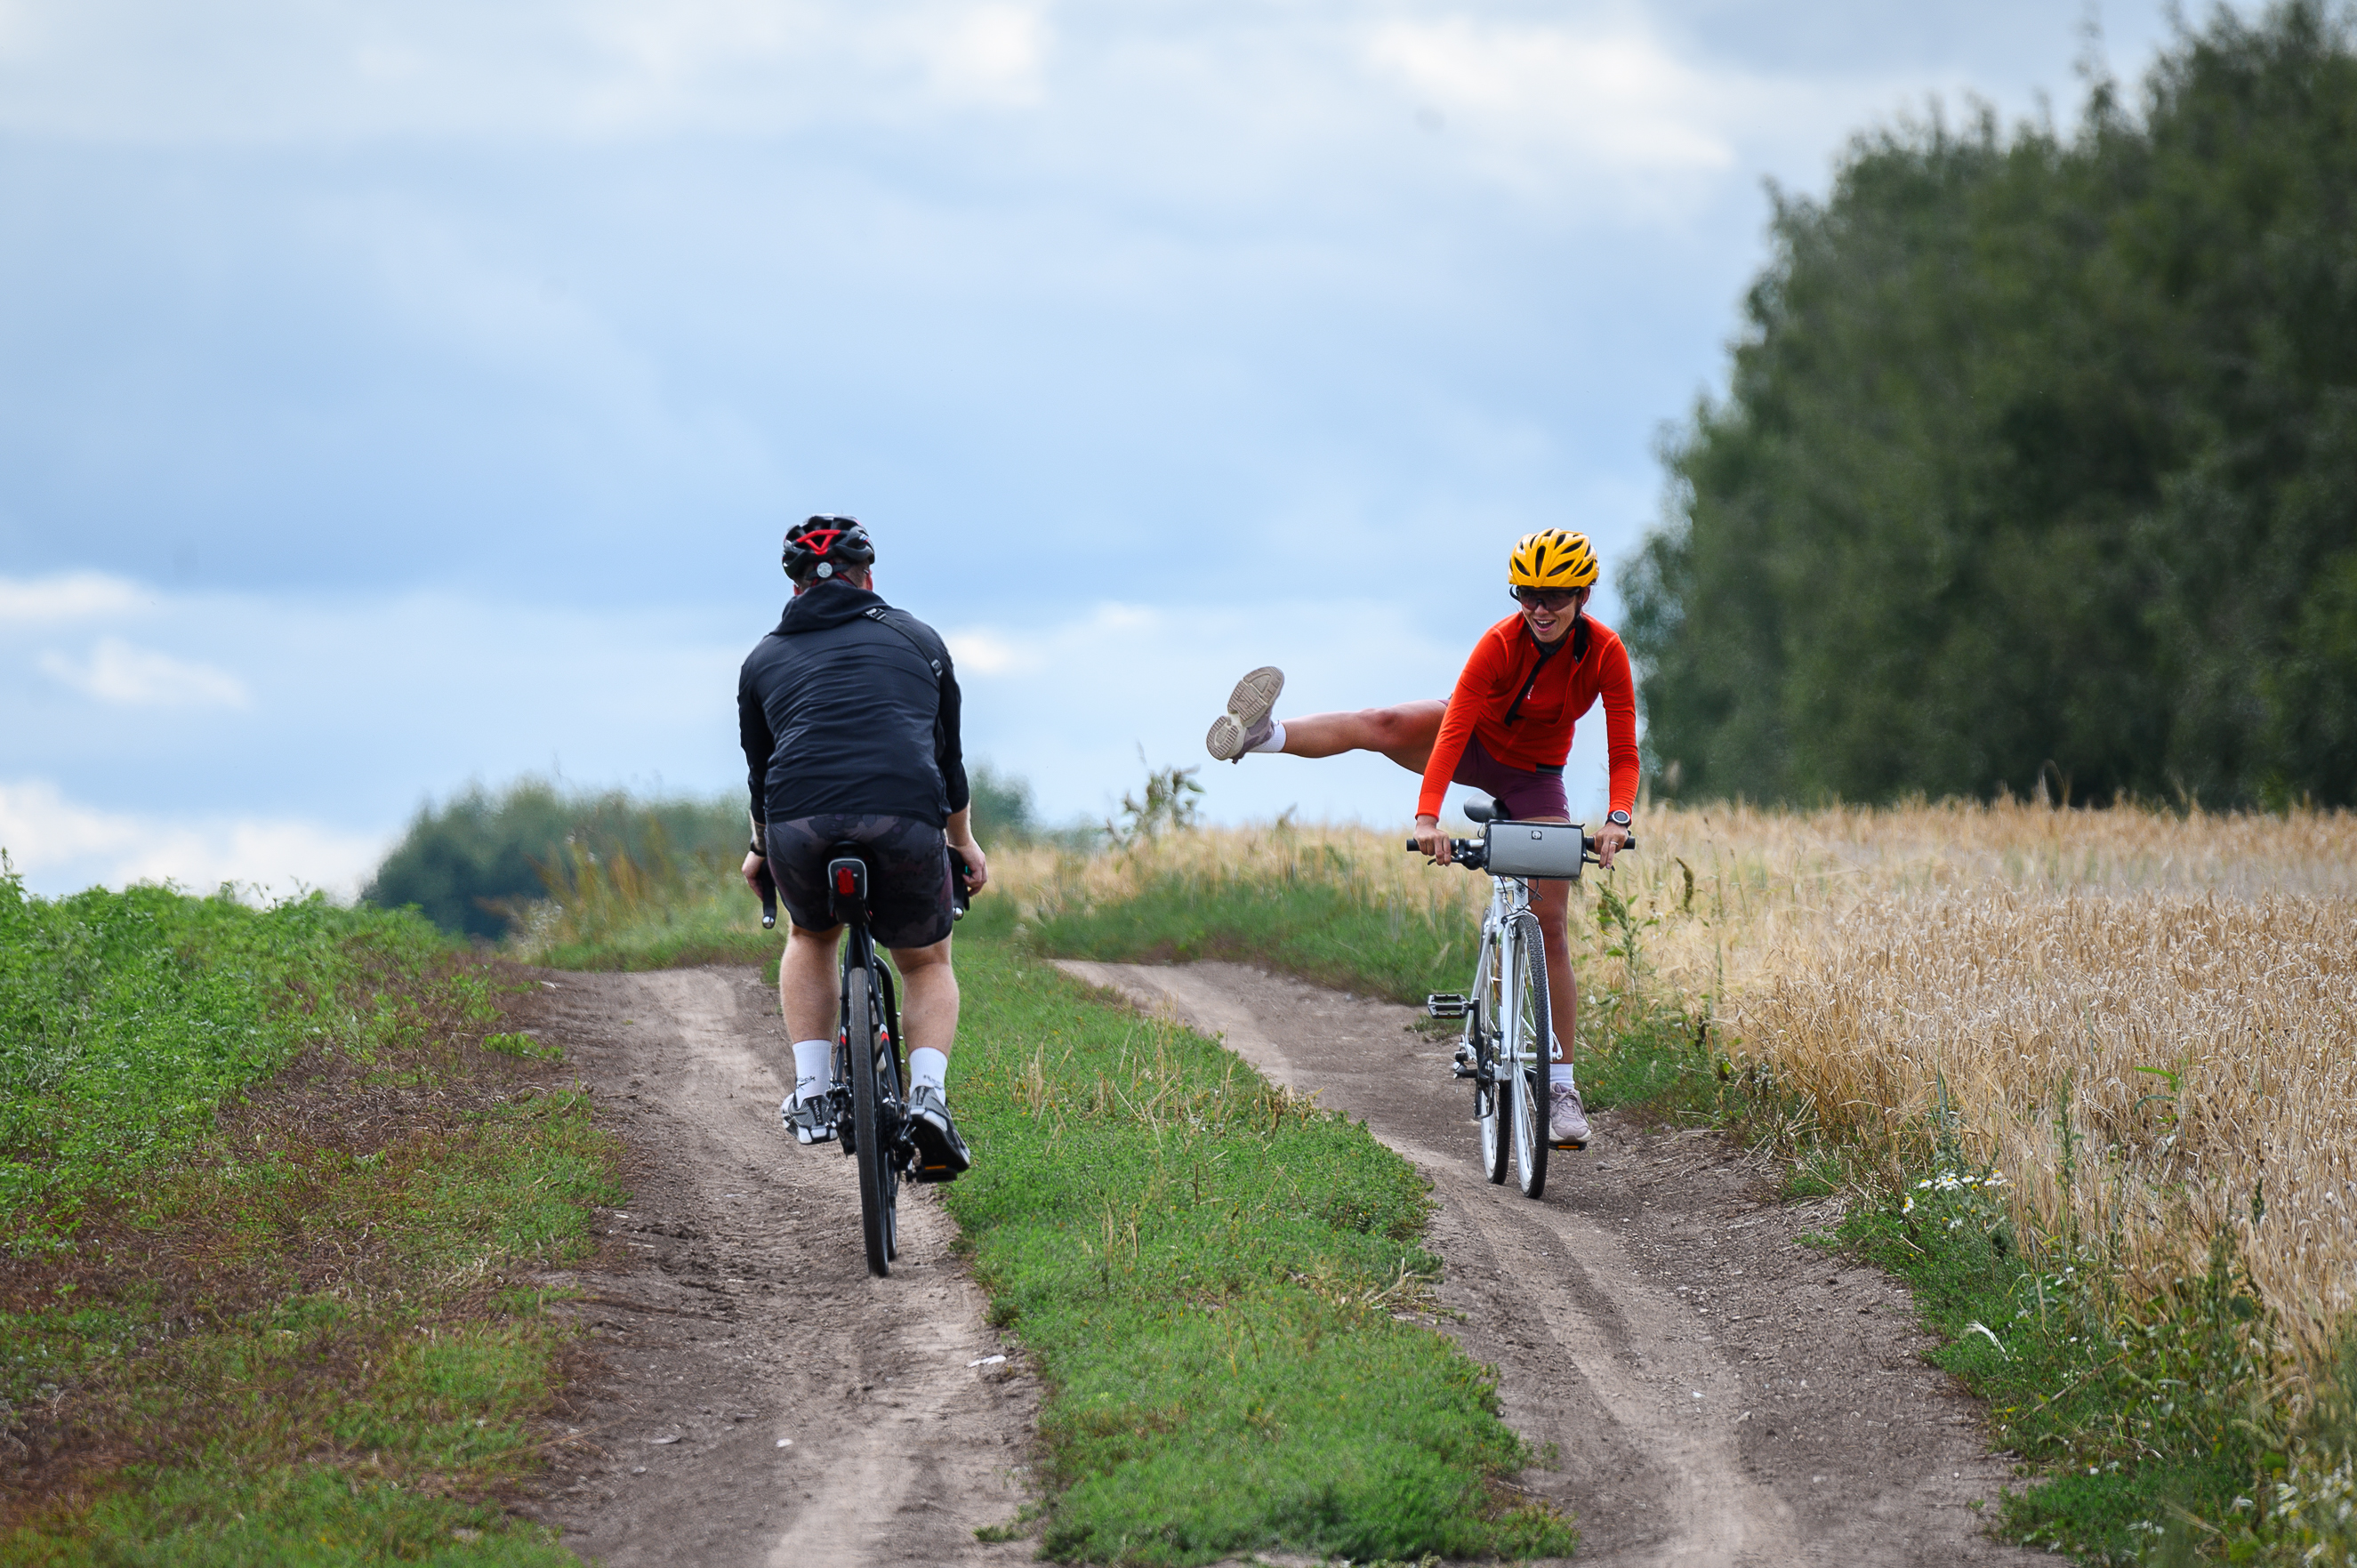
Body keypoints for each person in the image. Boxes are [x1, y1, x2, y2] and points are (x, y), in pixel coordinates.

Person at [1203, 528, 1637, 1150]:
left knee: (1553, 926)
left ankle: (1561, 1086)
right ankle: (1264, 735)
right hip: (1472, 747)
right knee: (1381, 722)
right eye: (1528, 594)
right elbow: (1455, 728)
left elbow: (1624, 747)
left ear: (1582, 594)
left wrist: (1618, 817)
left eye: (1555, 596)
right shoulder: (1499, 643)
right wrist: (1427, 818)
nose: (1540, 608)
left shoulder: (1604, 654)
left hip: (1538, 780)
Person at [739, 515, 987, 1180]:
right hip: (903, 814)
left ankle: (814, 1088)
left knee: (810, 935)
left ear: (795, 587)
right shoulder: (919, 639)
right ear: (868, 577)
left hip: (798, 822)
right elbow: (949, 765)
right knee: (927, 959)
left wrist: (761, 849)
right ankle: (928, 1097)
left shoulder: (761, 660)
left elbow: (762, 777)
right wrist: (962, 844)